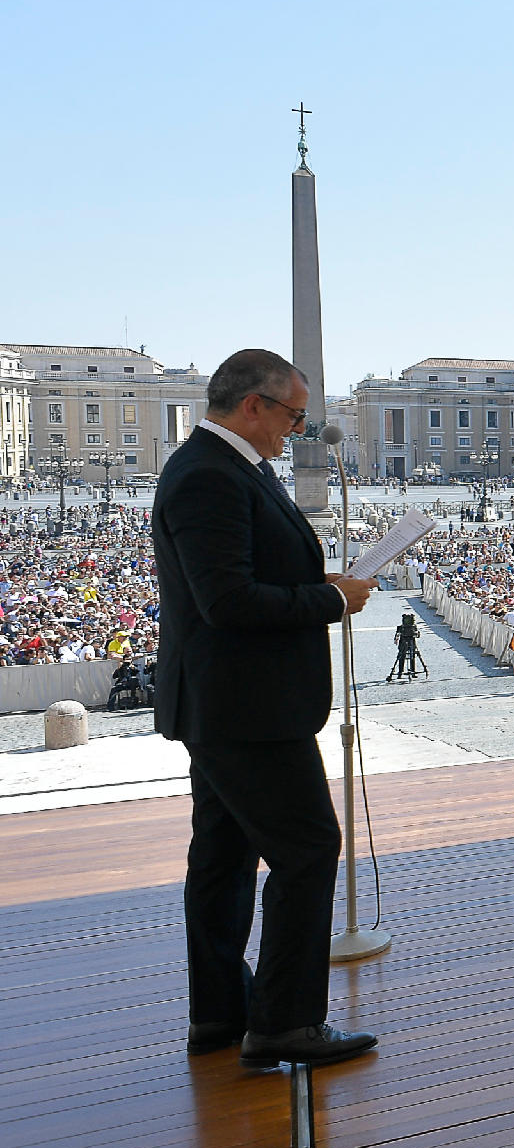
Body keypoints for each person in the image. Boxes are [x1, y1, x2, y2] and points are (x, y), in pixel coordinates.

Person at [153, 348, 378, 1069]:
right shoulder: (209, 477)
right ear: (253, 404)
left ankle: (219, 1014)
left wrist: (319, 582)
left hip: (230, 704)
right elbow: (228, 601)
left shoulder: (224, 468)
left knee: (222, 859)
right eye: (293, 415)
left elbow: (247, 575)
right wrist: (329, 600)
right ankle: (285, 1022)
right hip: (247, 710)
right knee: (307, 850)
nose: (297, 430)